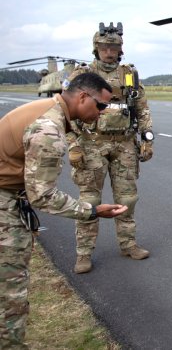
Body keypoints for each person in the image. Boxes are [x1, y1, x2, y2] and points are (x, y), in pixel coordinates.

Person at [0, 73, 128, 348]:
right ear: (82, 97)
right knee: (10, 297)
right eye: (101, 106)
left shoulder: (49, 112)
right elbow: (43, 196)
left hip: (10, 195)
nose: (103, 113)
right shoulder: (48, 128)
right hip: (4, 202)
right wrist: (92, 211)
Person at [66, 22, 155, 274]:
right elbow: (67, 113)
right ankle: (83, 254)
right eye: (104, 47)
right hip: (91, 144)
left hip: (124, 144)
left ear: (120, 49)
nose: (109, 52)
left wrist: (147, 139)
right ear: (96, 48)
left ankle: (128, 244)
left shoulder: (129, 74)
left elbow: (142, 109)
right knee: (90, 200)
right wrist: (73, 145)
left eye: (114, 47)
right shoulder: (82, 76)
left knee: (127, 198)